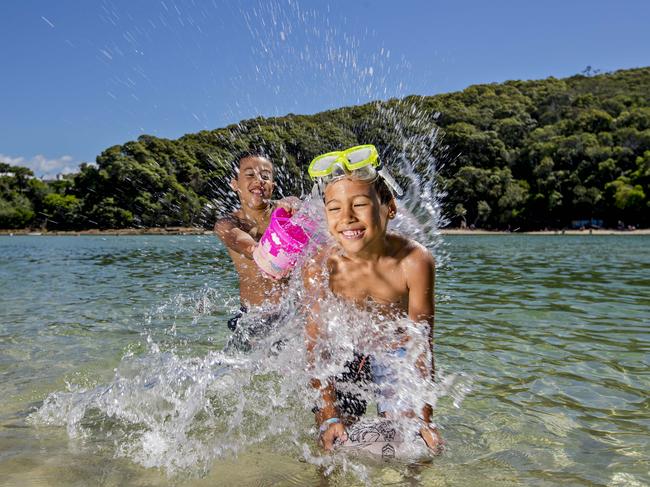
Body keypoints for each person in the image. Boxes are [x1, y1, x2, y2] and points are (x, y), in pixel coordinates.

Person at [302, 145, 441, 453]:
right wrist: (327, 416)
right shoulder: (319, 265)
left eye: (360, 204)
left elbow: (422, 345)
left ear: (388, 207)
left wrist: (425, 418)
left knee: (413, 444)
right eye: (334, 208)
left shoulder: (414, 261)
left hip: (395, 353)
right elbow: (316, 346)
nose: (347, 217)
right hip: (344, 351)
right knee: (331, 444)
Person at [214, 152, 299, 339]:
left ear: (273, 186)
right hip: (250, 316)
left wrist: (294, 204)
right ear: (235, 184)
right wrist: (257, 251)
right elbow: (238, 240)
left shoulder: (284, 212)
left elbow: (297, 203)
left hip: (288, 314)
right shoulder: (227, 223)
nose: (259, 180)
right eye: (250, 175)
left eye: (265, 176)